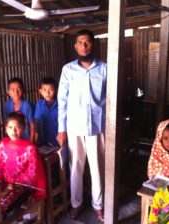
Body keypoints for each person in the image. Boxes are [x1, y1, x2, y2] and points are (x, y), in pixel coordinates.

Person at [57, 29, 107, 221]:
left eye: (87, 43)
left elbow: (111, 99)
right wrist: (61, 129)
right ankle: (76, 203)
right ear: (75, 45)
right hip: (75, 126)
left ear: (92, 45)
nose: (84, 46)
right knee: (75, 167)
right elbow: (62, 100)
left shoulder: (104, 69)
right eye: (80, 42)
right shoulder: (68, 70)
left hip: (97, 127)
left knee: (97, 167)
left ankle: (98, 205)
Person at [0, 112, 46, 223]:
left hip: (23, 186)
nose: (14, 131)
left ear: (23, 128)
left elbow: (33, 174)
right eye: (10, 127)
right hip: (5, 183)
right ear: (5, 129)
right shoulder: (3, 144)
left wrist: (13, 186)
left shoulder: (30, 148)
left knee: (2, 203)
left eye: (17, 127)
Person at [4, 77, 35, 142]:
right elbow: (7, 123)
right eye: (12, 90)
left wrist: (32, 142)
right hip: (13, 138)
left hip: (27, 139)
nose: (16, 92)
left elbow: (32, 124)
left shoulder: (27, 105)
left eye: (19, 89)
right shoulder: (7, 105)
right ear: (8, 92)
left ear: (23, 90)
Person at [34, 77, 59, 147]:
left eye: (50, 90)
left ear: (56, 90)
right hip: (44, 140)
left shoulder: (61, 104)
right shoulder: (39, 104)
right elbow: (37, 122)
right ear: (40, 91)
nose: (47, 93)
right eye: (44, 90)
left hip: (58, 140)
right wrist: (36, 138)